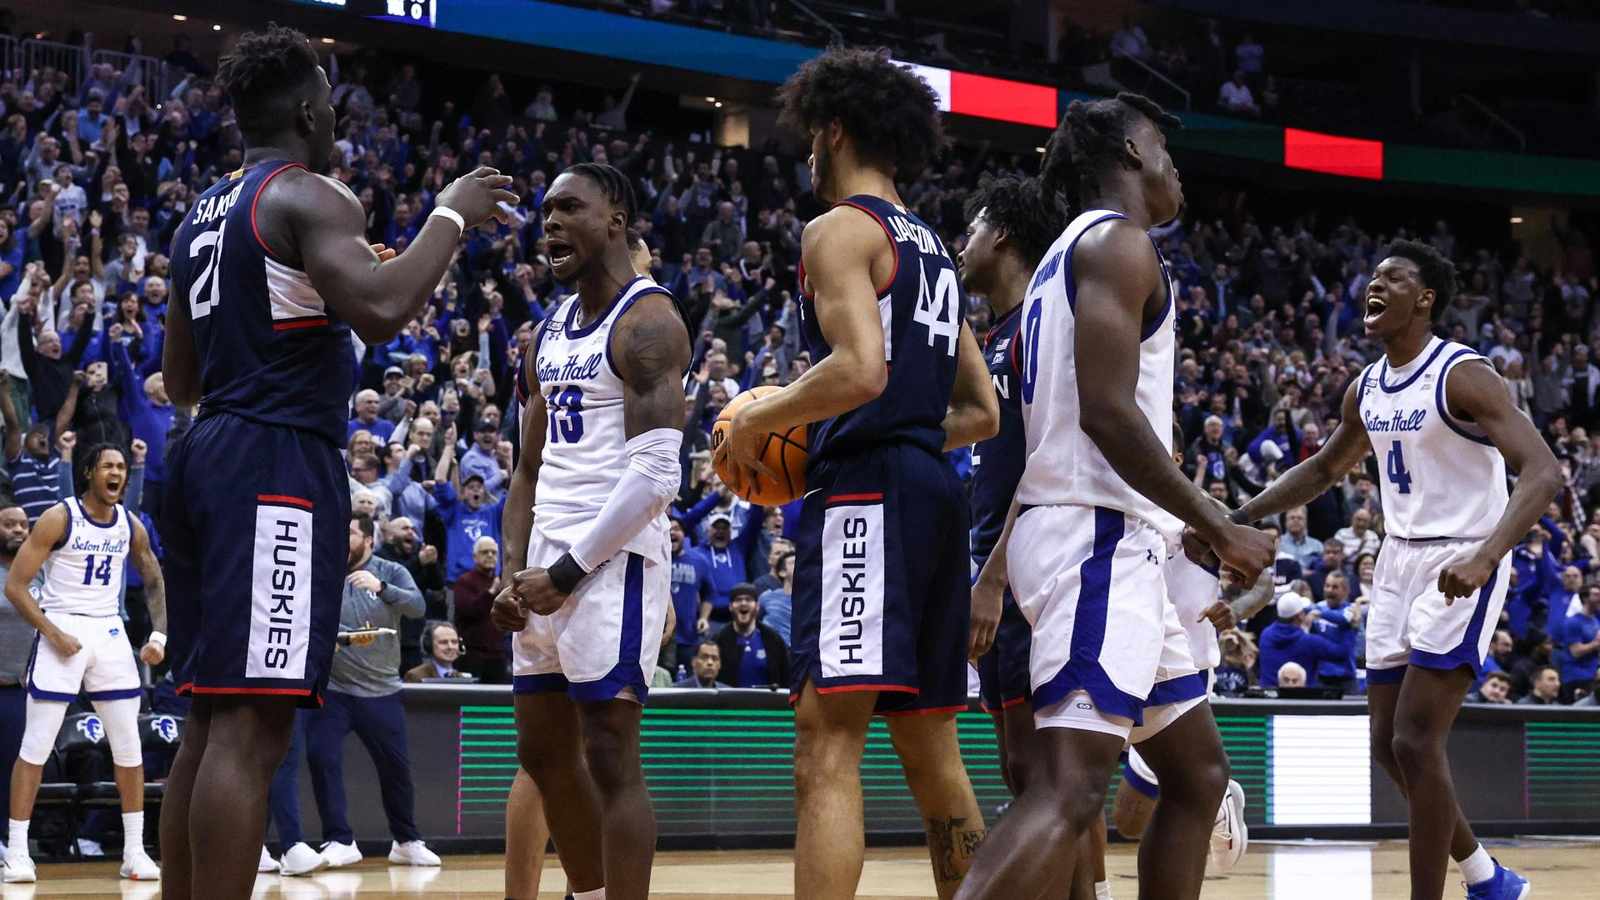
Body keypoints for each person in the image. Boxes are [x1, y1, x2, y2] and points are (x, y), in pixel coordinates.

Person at [157, 24, 512, 899]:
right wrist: (451, 213)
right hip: (273, 462)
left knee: (209, 721)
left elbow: (179, 376)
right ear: (311, 110)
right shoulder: (311, 195)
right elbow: (388, 308)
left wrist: (312, 307)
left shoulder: (201, 213)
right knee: (253, 728)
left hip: (204, 452)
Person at [954, 93, 1272, 900]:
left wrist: (1180, 523)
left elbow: (1074, 423)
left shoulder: (1061, 259)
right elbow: (1104, 414)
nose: (1172, 164)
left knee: (1197, 776)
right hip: (1095, 539)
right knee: (1068, 790)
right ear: (1130, 151)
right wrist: (1221, 525)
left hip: (1099, 532)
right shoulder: (1120, 245)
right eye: (1162, 144)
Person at [719, 49, 999, 900]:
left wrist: (757, 420)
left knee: (825, 742)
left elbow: (860, 369)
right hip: (932, 493)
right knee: (931, 749)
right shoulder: (936, 252)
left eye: (810, 136)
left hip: (869, 495)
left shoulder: (841, 228)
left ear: (832, 130)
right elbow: (982, 411)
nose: (807, 153)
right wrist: (897, 432)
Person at [1232, 239, 1559, 900]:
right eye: (1370, 279)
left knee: (1415, 740)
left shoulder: (1463, 373)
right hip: (1397, 558)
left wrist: (1486, 554)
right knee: (1387, 745)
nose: (1371, 288)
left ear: (1425, 297)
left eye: (1391, 279)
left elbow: (1545, 471)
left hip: (1463, 554)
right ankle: (1487, 877)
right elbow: (1324, 469)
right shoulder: (1368, 387)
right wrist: (1240, 514)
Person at [493, 161, 690, 900]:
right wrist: (516, 572)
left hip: (613, 565)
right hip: (545, 560)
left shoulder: (649, 321)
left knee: (610, 754)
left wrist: (566, 573)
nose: (549, 223)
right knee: (542, 753)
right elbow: (525, 468)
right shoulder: (545, 332)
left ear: (615, 219)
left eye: (568, 208)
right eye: (544, 212)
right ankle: (588, 891)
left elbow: (655, 476)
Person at [956, 174, 1108, 900]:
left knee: (1051, 775)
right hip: (1003, 562)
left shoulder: (1040, 331)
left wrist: (991, 575)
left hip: (1033, 567)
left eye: (972, 231)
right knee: (1027, 772)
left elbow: (1050, 457)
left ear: (1005, 238)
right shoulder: (997, 335)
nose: (963, 246)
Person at [3, 445, 165, 883]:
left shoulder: (129, 525)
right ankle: (17, 851)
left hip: (109, 631)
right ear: (90, 472)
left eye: (121, 468)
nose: (117, 473)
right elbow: (17, 586)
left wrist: (158, 634)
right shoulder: (61, 516)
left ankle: (134, 851)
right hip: (62, 626)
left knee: (129, 745)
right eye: (108, 466)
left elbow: (152, 576)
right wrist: (52, 632)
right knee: (36, 745)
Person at [304, 512, 436, 869]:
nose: (341, 538)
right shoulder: (323, 568)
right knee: (322, 756)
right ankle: (339, 838)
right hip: (333, 687)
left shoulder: (390, 571)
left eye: (349, 532)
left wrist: (382, 589)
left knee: (395, 769)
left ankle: (406, 840)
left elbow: (418, 607)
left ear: (368, 541)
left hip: (381, 690)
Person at [0, 505, 33, 846]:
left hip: (23, 691)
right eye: (9, 524)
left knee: (14, 769)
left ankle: (13, 842)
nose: (19, 530)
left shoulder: (37, 575)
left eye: (24, 525)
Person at [1258, 593, 1349, 689]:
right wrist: (1350, 627)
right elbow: (1342, 653)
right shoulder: (1309, 642)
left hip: (1269, 700)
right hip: (1302, 700)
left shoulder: (1265, 635)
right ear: (1300, 616)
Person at [454, 535, 508, 683]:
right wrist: (490, 592)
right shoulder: (464, 581)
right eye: (485, 552)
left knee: (499, 704)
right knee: (472, 703)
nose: (490, 555)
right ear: (475, 557)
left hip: (498, 655)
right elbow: (467, 610)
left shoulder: (502, 583)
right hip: (473, 655)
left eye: (493, 552)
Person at [713, 584, 789, 688]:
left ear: (757, 606)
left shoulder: (773, 639)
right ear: (730, 607)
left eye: (748, 600)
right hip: (730, 702)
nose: (743, 603)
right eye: (738, 600)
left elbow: (786, 676)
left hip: (767, 702)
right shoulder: (719, 639)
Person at [1555, 587, 1600, 703]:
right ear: (1585, 598)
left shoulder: (1595, 621)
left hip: (1592, 676)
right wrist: (1596, 643)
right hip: (1576, 677)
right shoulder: (1573, 622)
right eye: (1596, 594)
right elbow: (1576, 652)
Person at [405, 621, 473, 682]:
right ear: (429, 645)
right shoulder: (416, 676)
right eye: (443, 642)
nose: (450, 647)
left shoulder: (463, 677)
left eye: (454, 642)